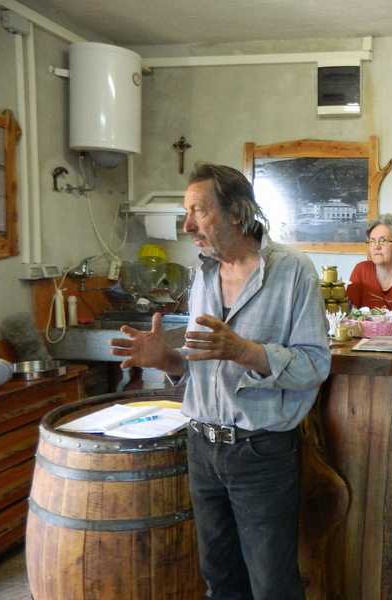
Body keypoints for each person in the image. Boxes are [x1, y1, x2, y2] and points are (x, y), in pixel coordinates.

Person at [111, 164, 330, 600]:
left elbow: (314, 364)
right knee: (220, 579)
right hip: (201, 446)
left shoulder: (294, 271)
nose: (187, 225)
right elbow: (200, 366)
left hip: (260, 451)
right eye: (186, 212)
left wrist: (244, 351)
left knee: (272, 585)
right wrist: (165, 359)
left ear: (237, 212)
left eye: (199, 210)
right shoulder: (203, 275)